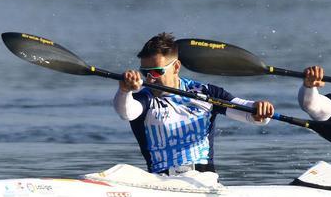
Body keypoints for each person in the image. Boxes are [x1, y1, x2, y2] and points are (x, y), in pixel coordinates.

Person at [114, 33, 274, 176]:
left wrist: (260, 109)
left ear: (176, 67)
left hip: (202, 181)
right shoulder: (144, 99)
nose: (150, 79)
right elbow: (126, 112)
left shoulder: (205, 93)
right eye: (145, 73)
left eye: (156, 72)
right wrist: (124, 91)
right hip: (160, 183)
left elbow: (250, 114)